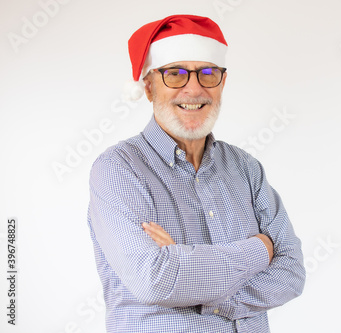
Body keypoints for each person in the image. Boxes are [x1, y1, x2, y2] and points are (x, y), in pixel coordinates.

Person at [87, 14, 305, 333]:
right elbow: (155, 280)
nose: (194, 89)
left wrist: (191, 274)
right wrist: (261, 249)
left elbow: (292, 271)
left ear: (222, 82)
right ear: (148, 87)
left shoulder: (247, 169)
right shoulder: (118, 169)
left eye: (207, 73)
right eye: (175, 74)